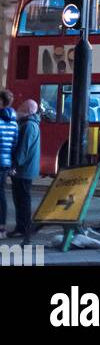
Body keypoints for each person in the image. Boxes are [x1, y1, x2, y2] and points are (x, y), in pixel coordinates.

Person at [8, 99, 40, 240]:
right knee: (22, 199)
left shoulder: (28, 126)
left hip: (23, 171)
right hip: (25, 170)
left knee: (22, 200)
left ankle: (23, 228)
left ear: (28, 110)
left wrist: (14, 165)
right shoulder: (30, 124)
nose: (17, 109)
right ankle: (22, 227)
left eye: (20, 106)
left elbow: (23, 149)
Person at [0, 89, 19, 239]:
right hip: (5, 164)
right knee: (2, 195)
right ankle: (2, 228)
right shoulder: (14, 123)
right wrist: (12, 165)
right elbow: (15, 146)